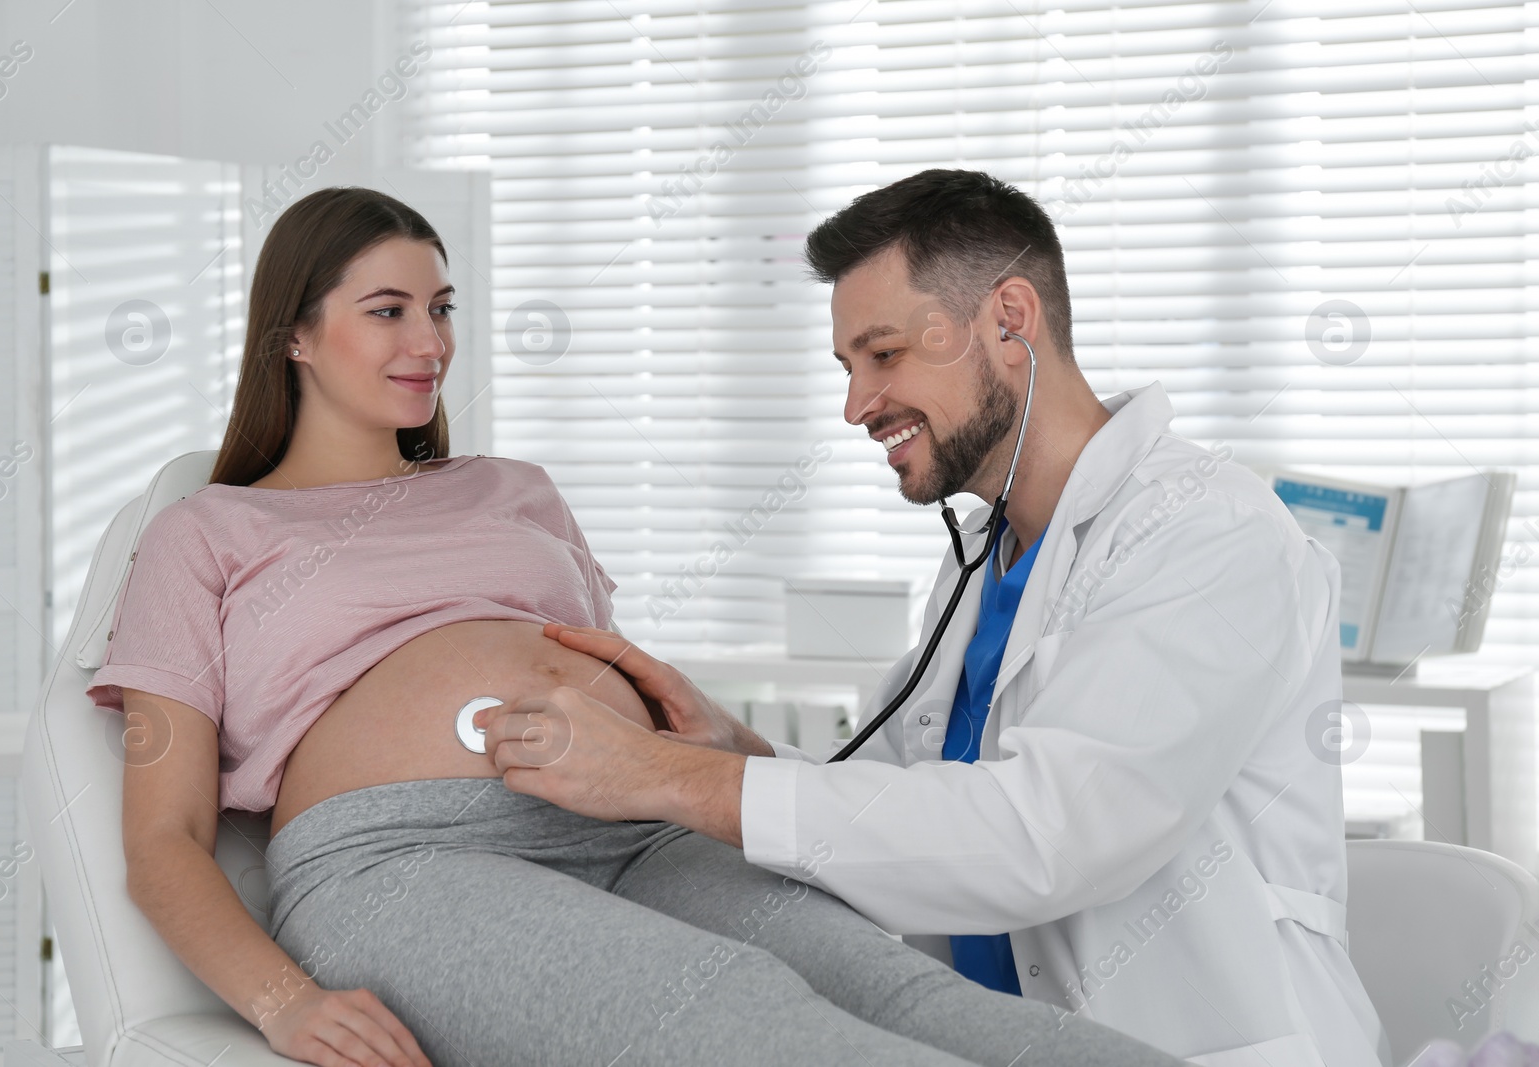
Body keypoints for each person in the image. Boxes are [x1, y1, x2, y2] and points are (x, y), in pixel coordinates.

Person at [86, 185, 1184, 1067]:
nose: (430, 339)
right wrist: (282, 1002)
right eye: (389, 311)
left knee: (906, 993)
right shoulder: (207, 532)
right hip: (404, 854)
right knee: (744, 1019)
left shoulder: (512, 488)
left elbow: (608, 670)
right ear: (295, 338)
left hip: (634, 818)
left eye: (443, 307)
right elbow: (161, 841)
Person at [476, 170, 1389, 1067]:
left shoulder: (1206, 530)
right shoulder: (981, 557)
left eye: (884, 355)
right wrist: (732, 749)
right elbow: (905, 812)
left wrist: (661, 777)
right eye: (847, 366)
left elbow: (1051, 835)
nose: (856, 405)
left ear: (1009, 320)